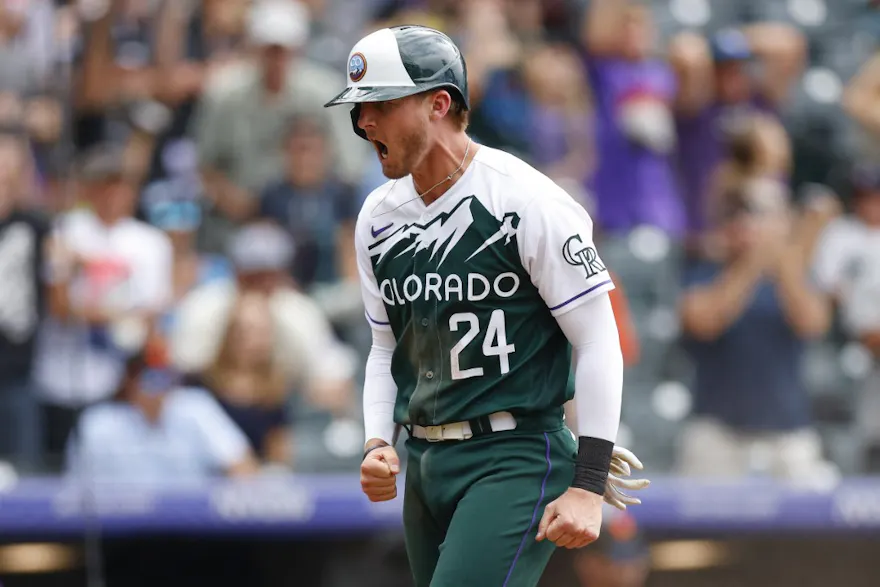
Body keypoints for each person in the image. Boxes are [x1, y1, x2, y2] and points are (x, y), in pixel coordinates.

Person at [324, 25, 648, 587]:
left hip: (514, 453)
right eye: (359, 109)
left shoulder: (526, 198)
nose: (364, 122)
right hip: (425, 461)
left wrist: (589, 484)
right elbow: (385, 346)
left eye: (379, 104)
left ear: (439, 103)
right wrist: (378, 441)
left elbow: (598, 339)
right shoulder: (376, 216)